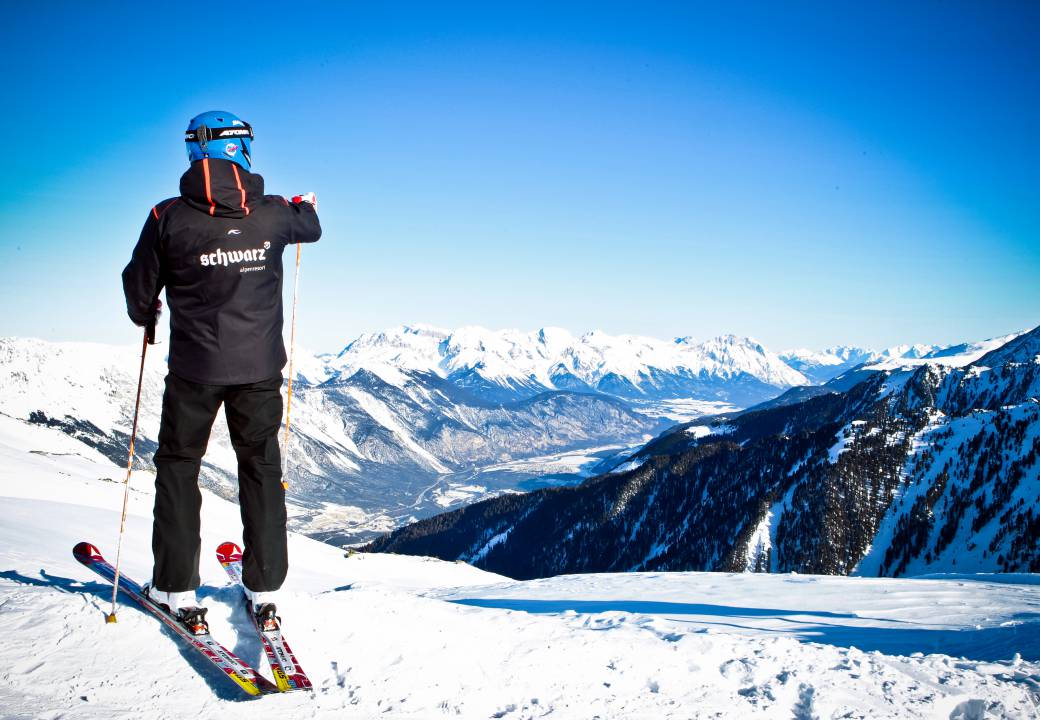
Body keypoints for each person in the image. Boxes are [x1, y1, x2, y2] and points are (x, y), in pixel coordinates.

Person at [121, 110, 321, 631]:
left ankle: (174, 586)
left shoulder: (168, 217)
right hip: (259, 371)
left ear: (193, 152)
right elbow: (312, 226)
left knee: (179, 465)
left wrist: (148, 315)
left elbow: (138, 288)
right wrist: (304, 206)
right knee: (260, 467)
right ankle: (264, 585)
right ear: (241, 150)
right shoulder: (275, 214)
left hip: (194, 370)